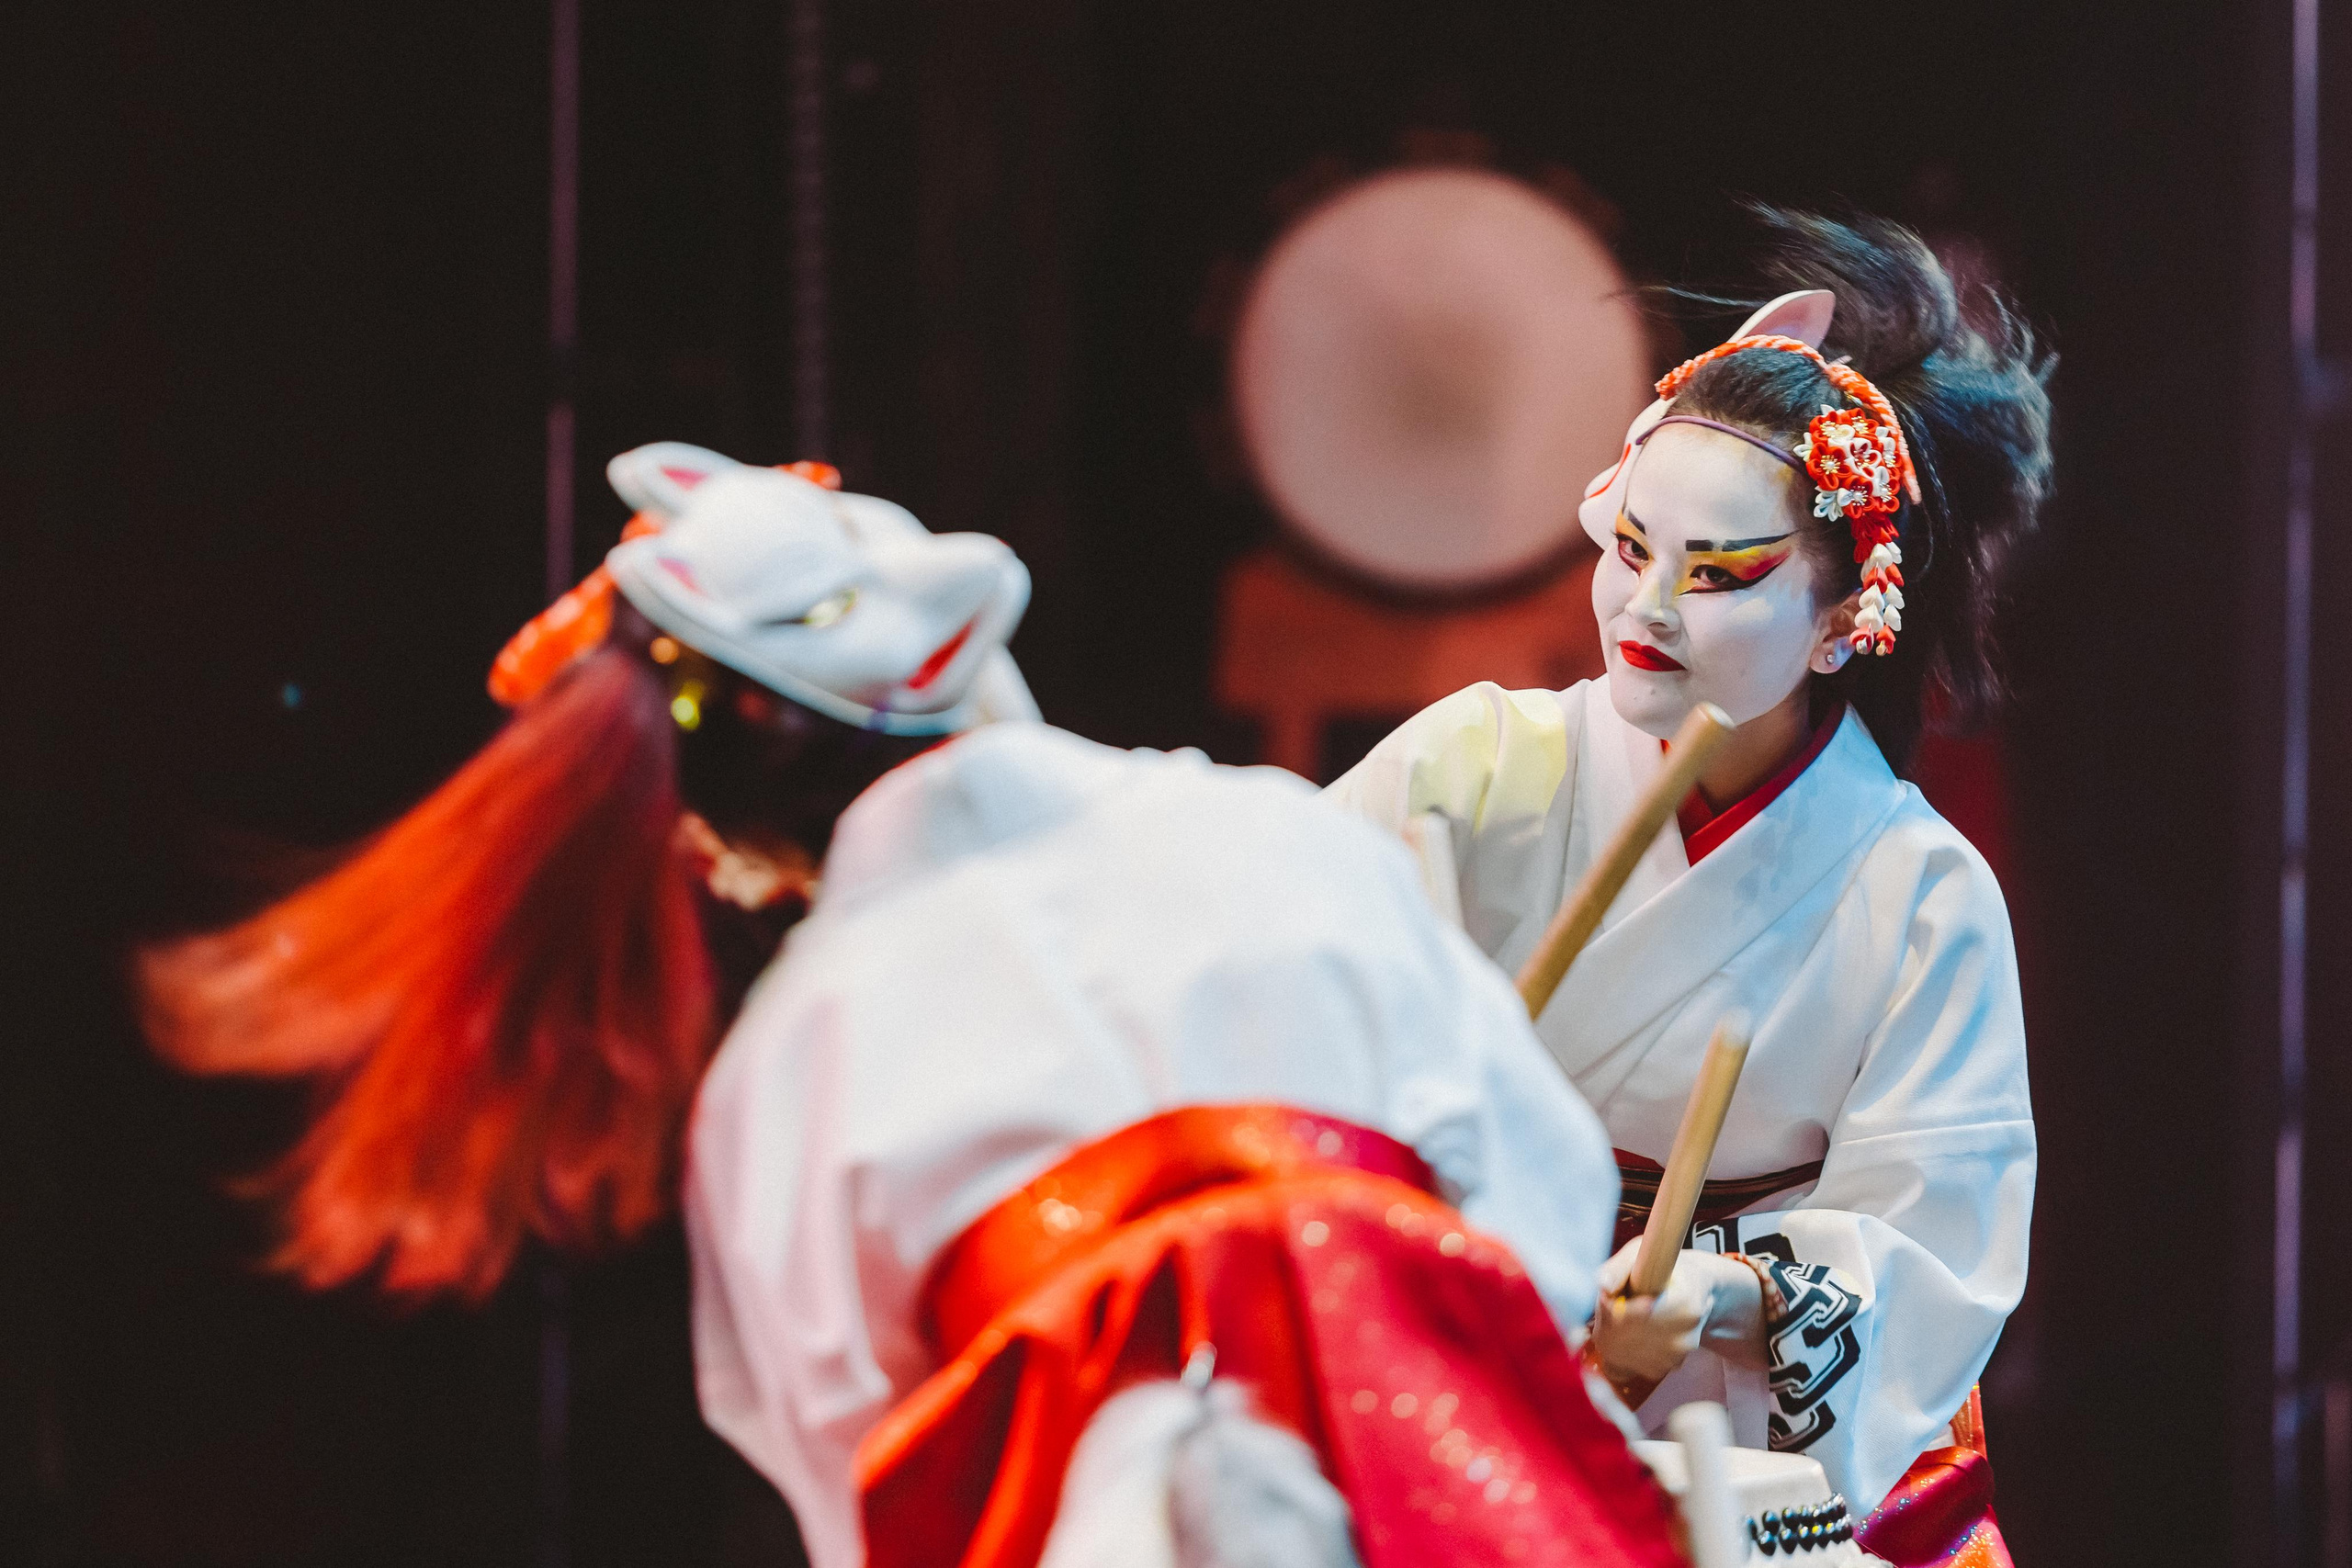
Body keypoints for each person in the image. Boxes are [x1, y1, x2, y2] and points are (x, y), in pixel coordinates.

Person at [142, 444, 1679, 1568]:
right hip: (1451, 1500)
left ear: (731, 844)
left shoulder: (795, 1060)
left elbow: (846, 1475)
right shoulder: (1280, 835)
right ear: (959, 650)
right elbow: (1529, 1208)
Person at [1325, 209, 2051, 1567]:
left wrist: (1716, 1296)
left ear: (1847, 618)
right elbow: (1283, 987)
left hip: (1769, 1424)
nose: (1646, 609)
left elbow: (1937, 1239)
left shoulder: (1920, 891)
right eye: (1632, 548)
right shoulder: (1471, 768)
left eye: (1719, 575)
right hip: (1481, 1341)